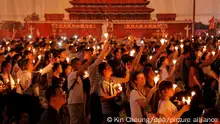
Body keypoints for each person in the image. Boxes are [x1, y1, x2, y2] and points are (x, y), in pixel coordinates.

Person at [67, 57, 94, 124]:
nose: (80, 66)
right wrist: (90, 60)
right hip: (74, 103)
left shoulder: (79, 77)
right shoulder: (71, 75)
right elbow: (82, 69)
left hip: (80, 102)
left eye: (80, 64)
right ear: (73, 66)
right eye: (77, 64)